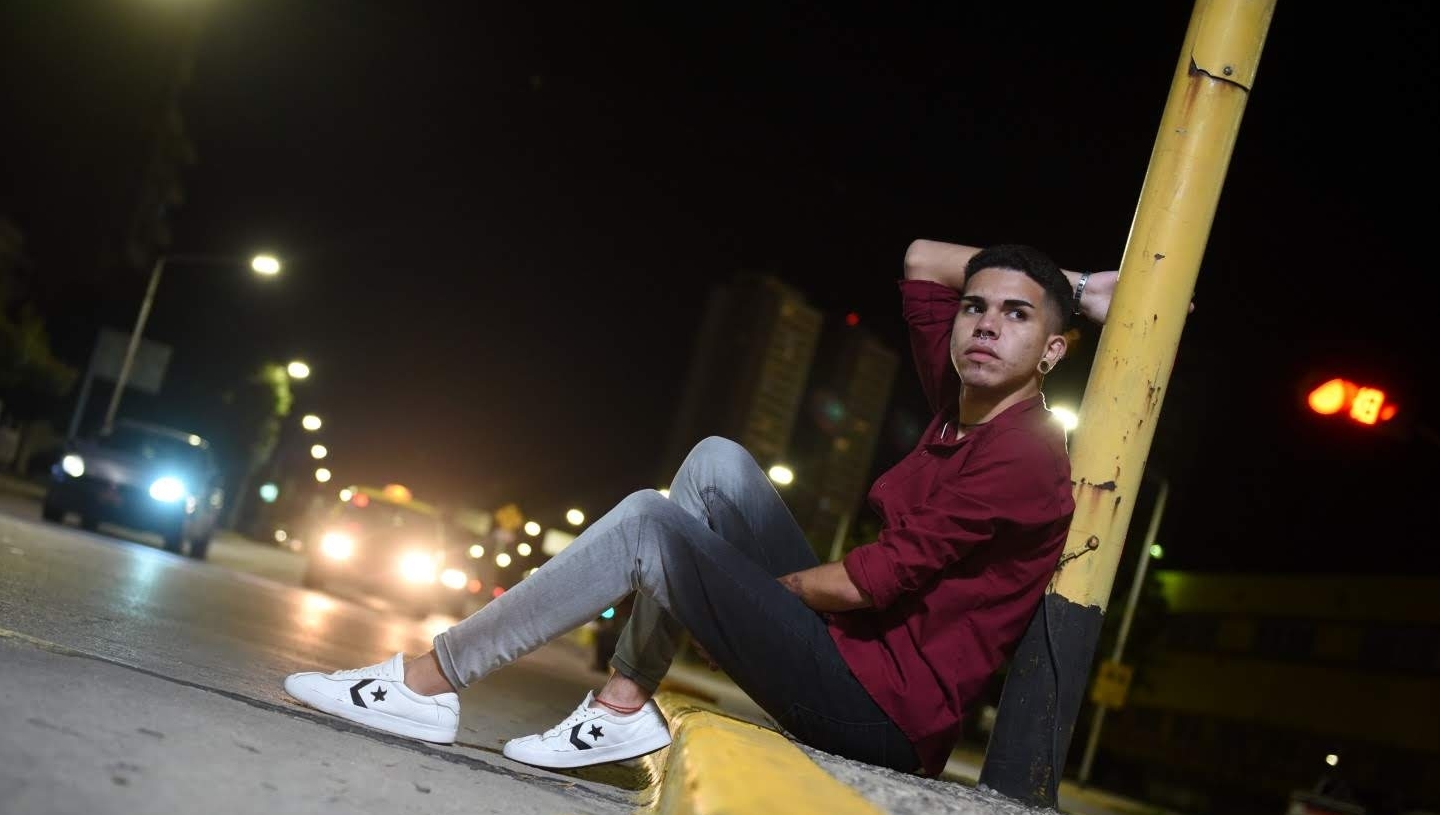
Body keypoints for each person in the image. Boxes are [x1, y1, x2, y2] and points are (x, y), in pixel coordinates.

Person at [285, 240, 1115, 775]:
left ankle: (429, 681)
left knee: (653, 525)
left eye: (1017, 316)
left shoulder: (1024, 453)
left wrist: (740, 599)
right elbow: (925, 256)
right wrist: (1075, 286)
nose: (985, 326)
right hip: (850, 651)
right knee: (717, 463)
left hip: (880, 715)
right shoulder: (961, 401)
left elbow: (869, 584)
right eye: (976, 307)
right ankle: (621, 705)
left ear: (1052, 350)